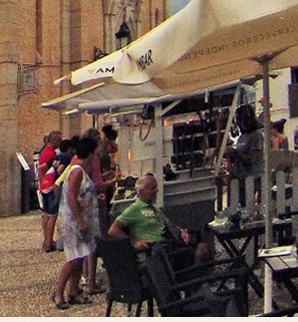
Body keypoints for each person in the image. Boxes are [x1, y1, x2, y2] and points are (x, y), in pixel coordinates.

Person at [51, 135, 100, 310]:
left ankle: (73, 291)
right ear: (90, 153)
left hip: (79, 221)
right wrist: (80, 220)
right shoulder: (77, 171)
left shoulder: (79, 170)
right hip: (73, 223)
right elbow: (71, 196)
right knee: (73, 259)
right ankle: (58, 291)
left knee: (80, 257)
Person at [107, 173, 194, 250]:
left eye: (156, 187)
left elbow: (170, 225)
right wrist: (134, 243)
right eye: (152, 188)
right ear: (141, 191)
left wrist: (182, 232)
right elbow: (113, 230)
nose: (156, 191)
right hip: (153, 254)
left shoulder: (155, 209)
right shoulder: (135, 209)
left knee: (199, 247)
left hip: (167, 247)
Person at [36, 131, 62, 252]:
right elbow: (42, 170)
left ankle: (47, 239)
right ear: (54, 141)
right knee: (52, 214)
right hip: (49, 187)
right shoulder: (50, 154)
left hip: (44, 187)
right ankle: (48, 242)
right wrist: (49, 183)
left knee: (46, 213)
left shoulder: (44, 151)